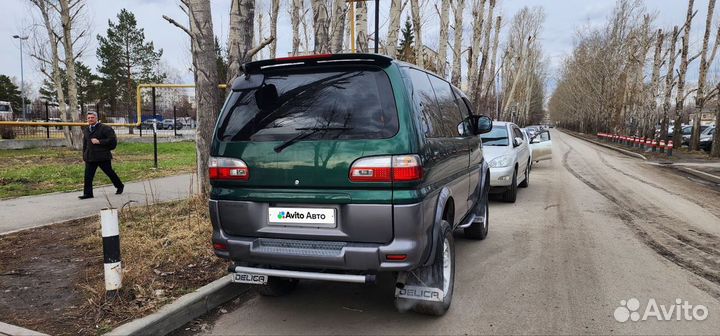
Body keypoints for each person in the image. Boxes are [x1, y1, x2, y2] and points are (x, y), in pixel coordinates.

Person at [79, 112, 124, 199]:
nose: (90, 119)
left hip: (102, 156)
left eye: (92, 117)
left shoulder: (105, 128)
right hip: (90, 157)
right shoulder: (86, 129)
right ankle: (88, 194)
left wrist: (100, 141)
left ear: (96, 118)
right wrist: (84, 155)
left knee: (109, 173)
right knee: (88, 176)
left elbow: (112, 141)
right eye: (88, 118)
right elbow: (85, 143)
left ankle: (119, 186)